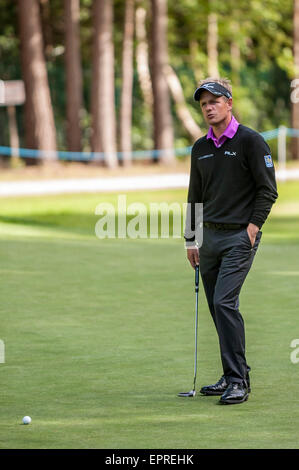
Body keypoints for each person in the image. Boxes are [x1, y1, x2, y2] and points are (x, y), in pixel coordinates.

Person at [184, 77, 278, 405]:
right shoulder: (200, 148)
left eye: (214, 101)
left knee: (225, 303)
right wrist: (191, 240)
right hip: (208, 238)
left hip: (240, 236)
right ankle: (230, 372)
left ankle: (239, 381)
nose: (209, 108)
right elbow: (195, 197)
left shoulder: (251, 141)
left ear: (229, 103)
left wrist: (252, 230)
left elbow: (268, 190)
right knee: (216, 307)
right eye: (204, 103)